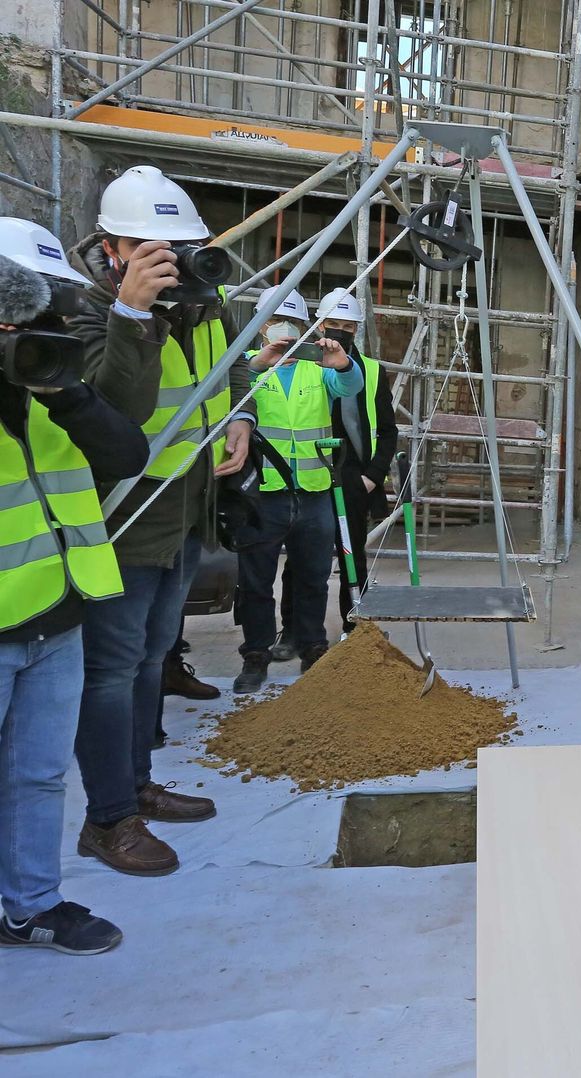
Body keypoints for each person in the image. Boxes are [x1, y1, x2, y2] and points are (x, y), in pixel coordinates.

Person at [67, 165, 254, 876]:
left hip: (183, 516)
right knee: (111, 672)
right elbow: (117, 417)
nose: (172, 262)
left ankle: (138, 784)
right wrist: (132, 316)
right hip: (124, 523)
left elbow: (233, 370)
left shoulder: (206, 304)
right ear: (113, 248)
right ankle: (108, 819)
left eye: (180, 246)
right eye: (152, 248)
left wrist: (242, 417)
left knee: (150, 661)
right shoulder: (85, 311)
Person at [0, 223, 151, 952]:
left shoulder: (51, 384)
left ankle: (30, 905)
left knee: (37, 778)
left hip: (58, 618)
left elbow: (128, 452)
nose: (36, 333)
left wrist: (66, 394)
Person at [231, 287, 362, 693]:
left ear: (305, 326)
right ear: (259, 325)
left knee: (313, 577)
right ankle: (256, 653)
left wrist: (343, 366)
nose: (282, 331)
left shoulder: (317, 370)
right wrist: (255, 365)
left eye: (290, 323)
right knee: (255, 582)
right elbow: (227, 395)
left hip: (313, 491)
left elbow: (350, 387)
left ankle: (312, 646)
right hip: (261, 493)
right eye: (272, 323)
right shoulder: (247, 368)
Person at [273, 286, 396, 654]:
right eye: (333, 324)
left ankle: (355, 625)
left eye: (348, 325)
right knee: (301, 557)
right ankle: (293, 631)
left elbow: (387, 430)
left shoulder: (370, 371)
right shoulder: (304, 366)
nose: (340, 331)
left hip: (353, 475)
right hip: (310, 472)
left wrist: (372, 476)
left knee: (352, 554)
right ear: (320, 325)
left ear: (356, 330)